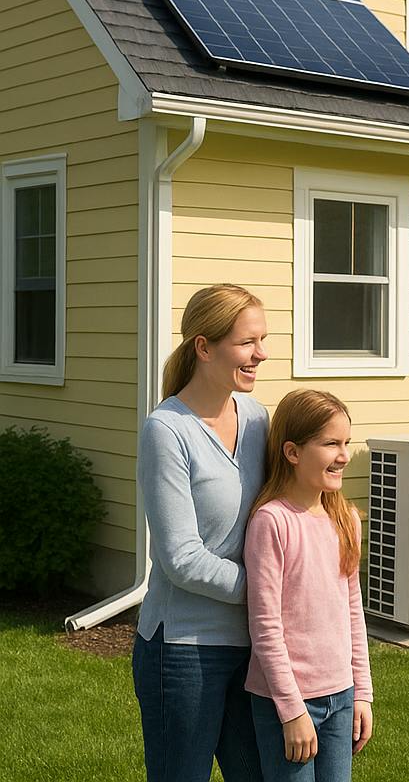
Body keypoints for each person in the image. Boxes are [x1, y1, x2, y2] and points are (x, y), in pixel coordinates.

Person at [133, 284, 270, 782]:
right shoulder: (166, 430)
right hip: (183, 653)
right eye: (247, 342)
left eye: (262, 339)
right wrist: (270, 592)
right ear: (204, 347)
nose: (262, 354)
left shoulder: (258, 419)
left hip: (252, 647)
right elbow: (181, 557)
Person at [245, 390, 374, 782]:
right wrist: (292, 711)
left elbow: (353, 610)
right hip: (287, 704)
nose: (344, 455)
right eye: (331, 443)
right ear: (293, 452)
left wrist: (362, 693)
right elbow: (266, 627)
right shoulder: (272, 522)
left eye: (346, 443)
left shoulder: (345, 519)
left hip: (341, 696)